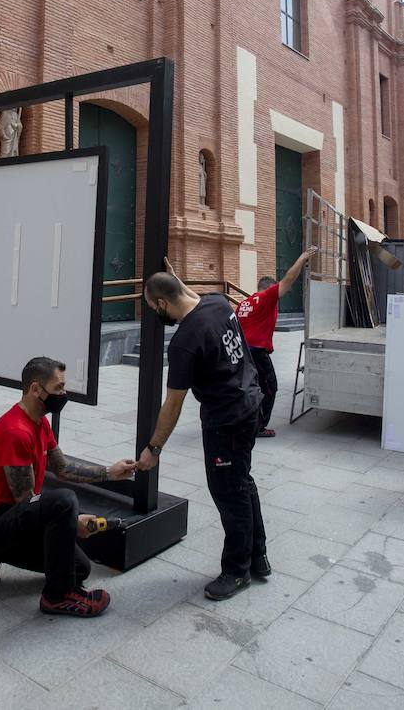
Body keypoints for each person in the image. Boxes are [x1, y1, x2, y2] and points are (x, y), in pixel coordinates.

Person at [0, 357, 136, 618]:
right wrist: (72, 521)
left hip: (12, 515)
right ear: (36, 389)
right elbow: (26, 503)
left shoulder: (40, 422)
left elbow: (63, 468)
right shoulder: (15, 432)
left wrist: (109, 473)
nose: (63, 394)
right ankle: (57, 597)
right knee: (64, 501)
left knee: (79, 568)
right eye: (58, 388)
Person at [137, 271, 266, 601]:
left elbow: (173, 404)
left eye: (154, 307)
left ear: (163, 303)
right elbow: (182, 290)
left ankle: (237, 572)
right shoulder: (217, 302)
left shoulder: (184, 342)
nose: (156, 313)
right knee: (243, 482)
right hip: (251, 404)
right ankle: (258, 557)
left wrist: (154, 448)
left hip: (227, 421)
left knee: (229, 494)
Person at [234, 246, 317, 439]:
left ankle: (244, 421)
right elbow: (288, 280)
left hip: (243, 352)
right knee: (269, 388)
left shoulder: (244, 303)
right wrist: (302, 257)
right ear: (269, 288)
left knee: (250, 388)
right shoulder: (266, 298)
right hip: (256, 352)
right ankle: (258, 427)